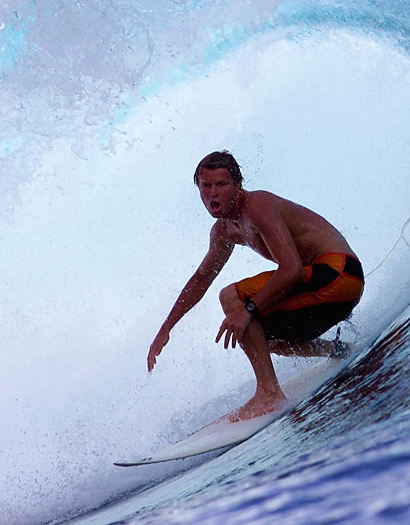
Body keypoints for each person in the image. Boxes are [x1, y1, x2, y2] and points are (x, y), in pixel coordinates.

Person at [146, 151, 364, 420]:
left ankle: (269, 394)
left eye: (222, 185)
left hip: (339, 274)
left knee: (232, 298)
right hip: (327, 290)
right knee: (263, 339)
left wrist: (248, 309)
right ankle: (337, 349)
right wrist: (167, 327)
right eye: (206, 186)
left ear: (237, 185)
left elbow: (292, 269)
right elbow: (201, 279)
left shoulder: (257, 205)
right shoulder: (223, 231)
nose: (213, 193)